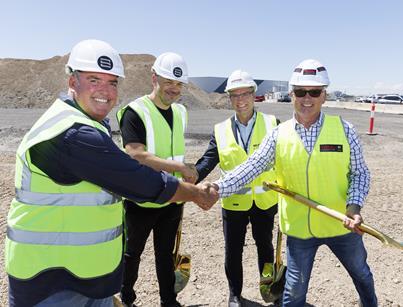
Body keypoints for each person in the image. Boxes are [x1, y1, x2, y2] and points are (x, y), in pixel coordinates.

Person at [4, 39, 217, 307]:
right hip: (52, 282)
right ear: (72, 82)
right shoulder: (73, 133)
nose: (104, 91)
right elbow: (136, 177)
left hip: (83, 275)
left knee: (164, 253)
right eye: (94, 80)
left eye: (112, 83)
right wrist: (196, 193)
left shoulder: (86, 122)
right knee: (134, 254)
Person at [209, 59, 378, 307]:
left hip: (341, 225)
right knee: (293, 295)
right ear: (291, 95)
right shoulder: (279, 134)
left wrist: (354, 207)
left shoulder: (344, 129)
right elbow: (251, 167)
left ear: (324, 96)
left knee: (361, 275)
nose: (306, 98)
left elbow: (360, 173)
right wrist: (216, 188)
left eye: (314, 92)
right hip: (300, 231)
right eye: (300, 92)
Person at [116, 52, 197, 307]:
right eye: (168, 82)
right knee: (132, 254)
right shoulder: (135, 112)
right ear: (154, 78)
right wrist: (180, 168)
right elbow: (136, 153)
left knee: (165, 254)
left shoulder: (181, 112)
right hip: (141, 199)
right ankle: (126, 298)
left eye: (178, 84)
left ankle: (168, 300)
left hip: (171, 199)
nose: (174, 89)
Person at [194, 69, 279, 307]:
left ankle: (269, 288)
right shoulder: (220, 130)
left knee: (265, 247)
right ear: (229, 98)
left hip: (264, 201)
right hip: (233, 203)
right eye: (235, 95)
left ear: (254, 95)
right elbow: (208, 161)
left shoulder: (273, 123)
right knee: (233, 251)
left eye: (245, 94)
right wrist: (191, 178)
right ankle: (235, 294)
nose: (240, 100)